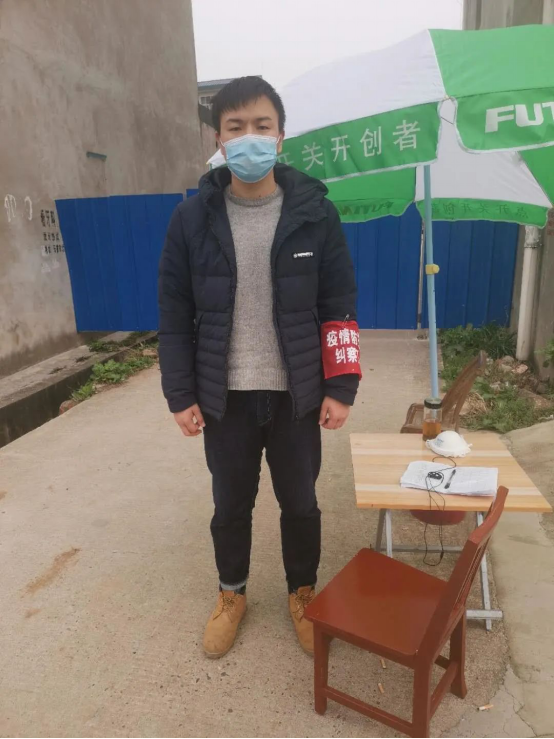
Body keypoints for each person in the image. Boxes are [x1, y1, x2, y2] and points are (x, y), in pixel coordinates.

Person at [158, 77, 361, 659]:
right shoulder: (191, 219)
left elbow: (339, 304)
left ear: (280, 135)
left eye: (261, 126)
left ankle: (302, 593)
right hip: (225, 398)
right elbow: (173, 314)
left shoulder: (315, 214)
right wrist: (180, 394)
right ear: (218, 140)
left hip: (297, 393)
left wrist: (341, 385)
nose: (249, 137)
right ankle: (232, 593)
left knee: (300, 503)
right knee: (230, 505)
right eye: (236, 127)